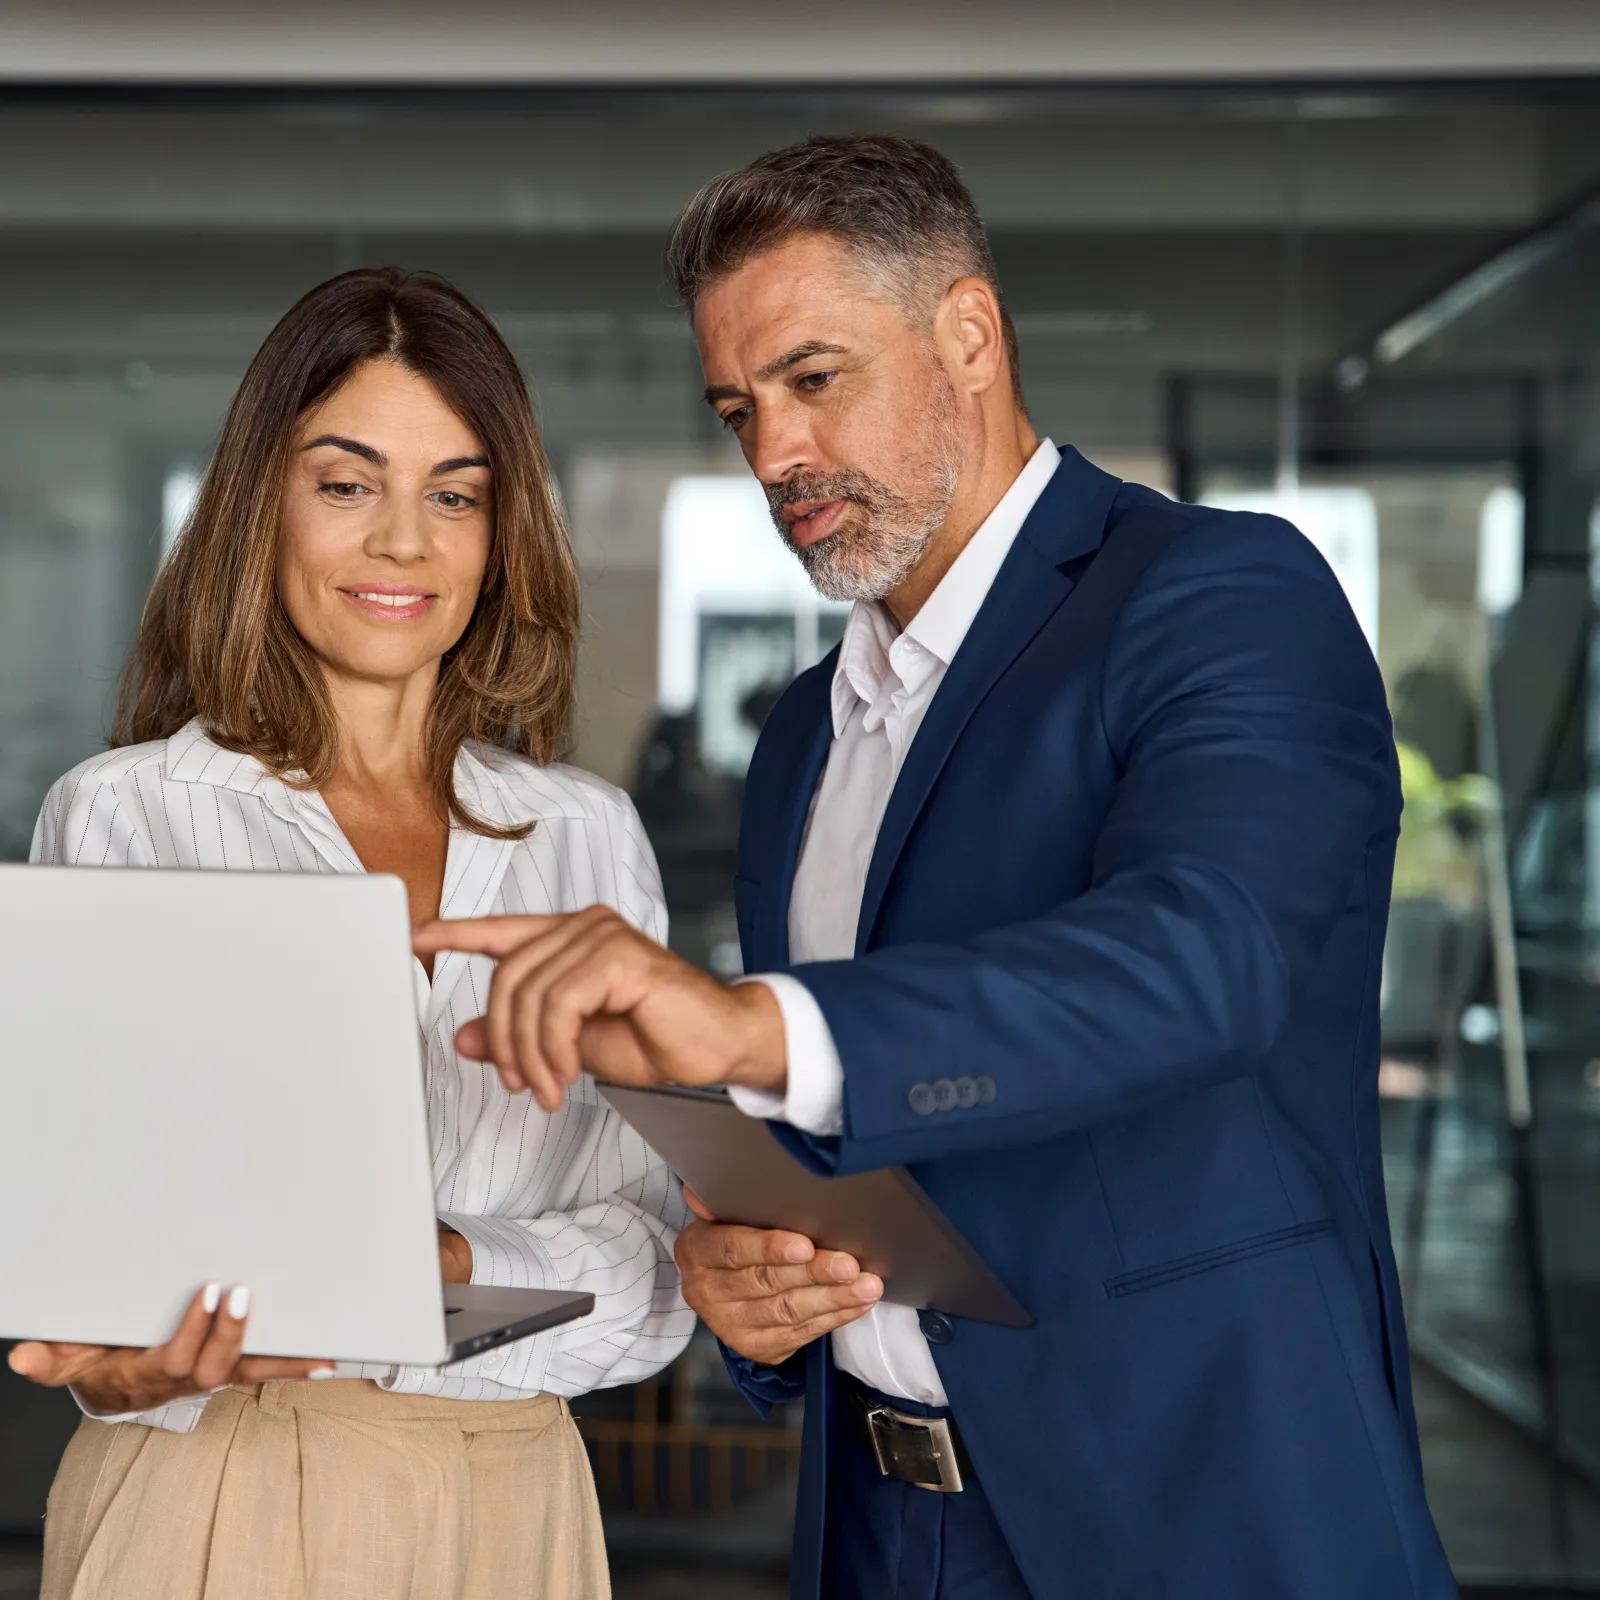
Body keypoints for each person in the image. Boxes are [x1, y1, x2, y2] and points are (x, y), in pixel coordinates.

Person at [417, 135, 1461, 1599]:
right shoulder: (802, 735)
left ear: (968, 333)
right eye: (737, 408)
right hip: (882, 1529)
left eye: (814, 378)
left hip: (1202, 1519)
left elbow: (1204, 961)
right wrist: (752, 1300)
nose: (773, 453)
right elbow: (849, 1156)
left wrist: (751, 1024)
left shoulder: (1220, 595)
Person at [10, 267, 695, 1600]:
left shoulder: (584, 838)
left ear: (501, 536)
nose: (403, 543)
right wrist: (123, 1368)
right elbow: (86, 1262)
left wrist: (445, 1266)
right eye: (345, 484)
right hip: (218, 1487)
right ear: (260, 506)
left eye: (455, 494)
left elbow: (657, 1280)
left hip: (518, 1504)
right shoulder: (132, 814)